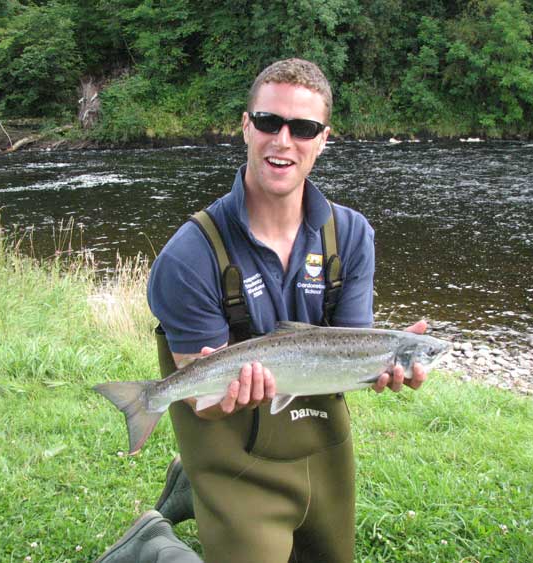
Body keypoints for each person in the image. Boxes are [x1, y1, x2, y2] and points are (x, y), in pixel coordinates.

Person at [95, 58, 427, 563]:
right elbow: (200, 400)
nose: (283, 140)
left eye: (304, 127)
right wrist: (203, 393)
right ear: (246, 126)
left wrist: (380, 364)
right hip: (224, 435)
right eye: (269, 122)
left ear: (323, 138)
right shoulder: (189, 255)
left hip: (318, 433)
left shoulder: (352, 235)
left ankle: (189, 488)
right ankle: (155, 547)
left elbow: (347, 354)